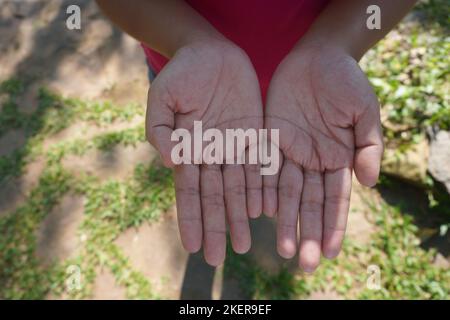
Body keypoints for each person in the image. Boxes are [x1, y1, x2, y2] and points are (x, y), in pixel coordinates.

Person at [95, 0, 417, 272]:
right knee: (201, 171)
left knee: (268, 185)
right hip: (196, 89)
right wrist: (187, 40)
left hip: (315, 101)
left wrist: (336, 42)